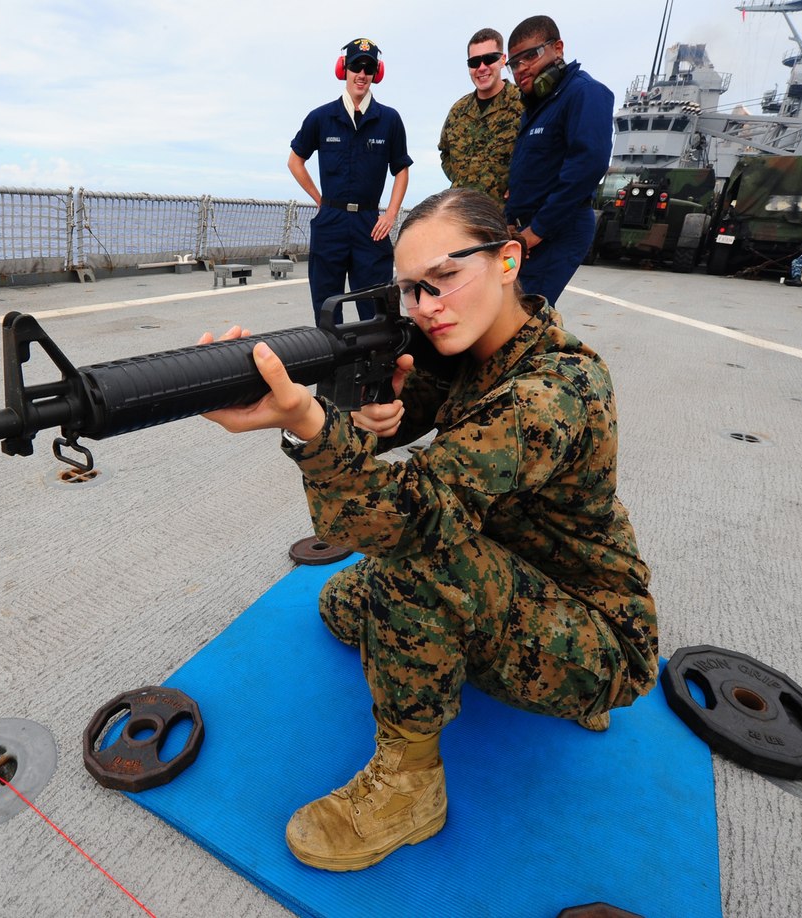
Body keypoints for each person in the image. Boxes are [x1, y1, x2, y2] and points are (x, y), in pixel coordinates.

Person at [202, 188, 659, 872]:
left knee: (411, 564)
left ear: (508, 261)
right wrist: (351, 402)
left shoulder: (553, 391)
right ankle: (474, 645)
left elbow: (404, 517)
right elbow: (398, 417)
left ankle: (412, 785)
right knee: (342, 608)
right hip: (512, 567)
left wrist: (308, 426)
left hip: (598, 632)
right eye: (412, 290)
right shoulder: (474, 351)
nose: (426, 307)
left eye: (444, 279)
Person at [289, 38, 412, 324]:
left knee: (377, 307)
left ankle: (376, 366)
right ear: (343, 69)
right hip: (330, 222)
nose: (362, 74)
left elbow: (402, 170)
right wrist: (320, 200)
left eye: (368, 68)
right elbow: (295, 161)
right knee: (326, 307)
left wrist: (391, 214)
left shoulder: (389, 120)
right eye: (356, 66)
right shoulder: (321, 118)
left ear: (376, 74)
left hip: (370, 225)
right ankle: (333, 367)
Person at [504, 15, 613, 304]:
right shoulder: (539, 105)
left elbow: (587, 167)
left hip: (555, 230)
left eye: (531, 55)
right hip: (526, 232)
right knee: (508, 309)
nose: (521, 68)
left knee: (525, 314)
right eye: (514, 63)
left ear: (558, 48)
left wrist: (536, 231)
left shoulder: (584, 93)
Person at [438, 27, 523, 204]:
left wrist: (521, 183)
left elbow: (543, 152)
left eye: (489, 59)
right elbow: (445, 152)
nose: (482, 68)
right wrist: (464, 180)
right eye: (474, 62)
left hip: (506, 219)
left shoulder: (524, 104)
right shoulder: (458, 111)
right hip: (464, 215)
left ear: (502, 60)